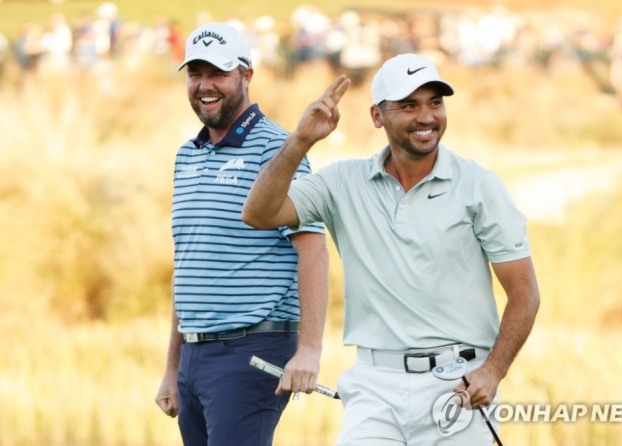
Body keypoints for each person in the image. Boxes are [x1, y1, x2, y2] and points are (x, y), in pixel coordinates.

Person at [242, 53, 541, 444]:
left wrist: (493, 370)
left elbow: (524, 292)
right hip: (373, 386)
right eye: (409, 105)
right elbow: (259, 214)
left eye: (435, 103)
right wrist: (299, 142)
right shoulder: (343, 183)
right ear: (377, 116)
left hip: (458, 385)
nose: (427, 117)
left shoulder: (478, 186)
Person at [154, 22, 330, 446]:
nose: (204, 85)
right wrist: (172, 368)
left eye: (218, 73)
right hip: (194, 355)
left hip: (253, 349)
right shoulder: (186, 155)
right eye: (195, 74)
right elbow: (189, 265)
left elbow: (313, 249)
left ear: (246, 75)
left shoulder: (278, 148)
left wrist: (309, 350)